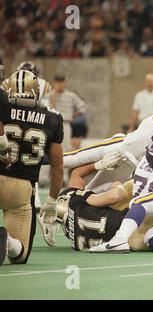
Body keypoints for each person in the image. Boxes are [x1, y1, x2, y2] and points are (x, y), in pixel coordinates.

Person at [0, 70, 64, 265]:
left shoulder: (3, 107)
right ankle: (8, 242)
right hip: (21, 189)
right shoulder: (52, 118)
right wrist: (52, 201)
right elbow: (58, 167)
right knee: (20, 255)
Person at [42, 73, 87, 153]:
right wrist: (55, 92)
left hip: (65, 123)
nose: (60, 84)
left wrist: (74, 116)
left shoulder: (71, 95)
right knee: (52, 147)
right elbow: (47, 107)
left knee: (65, 148)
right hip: (52, 124)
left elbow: (83, 107)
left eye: (61, 82)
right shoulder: (49, 95)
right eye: (58, 82)